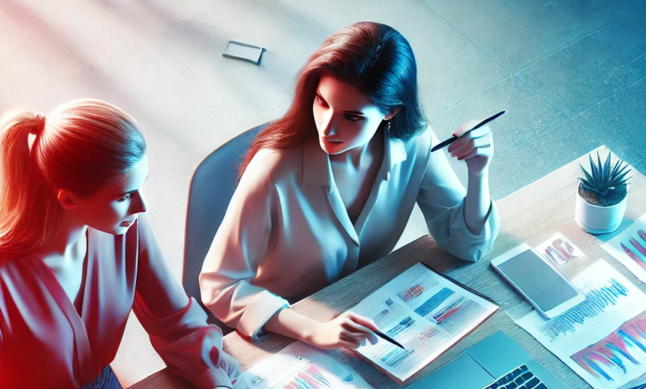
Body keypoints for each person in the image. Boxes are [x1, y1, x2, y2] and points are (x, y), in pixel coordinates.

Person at [0, 99, 275, 389]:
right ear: (68, 198)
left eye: (141, 187)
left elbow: (176, 324)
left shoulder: (127, 228)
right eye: (123, 196)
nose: (142, 207)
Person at [200, 21, 499, 349]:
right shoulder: (274, 168)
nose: (327, 128)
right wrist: (314, 330)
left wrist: (478, 172)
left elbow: (467, 245)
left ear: (390, 113)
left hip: (364, 315)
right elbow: (220, 286)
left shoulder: (415, 143)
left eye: (352, 116)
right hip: (281, 328)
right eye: (322, 102)